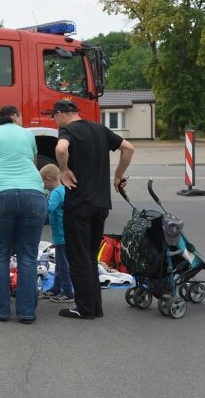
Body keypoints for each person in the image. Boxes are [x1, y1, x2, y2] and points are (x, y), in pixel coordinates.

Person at [53, 99, 134, 319]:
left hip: (79, 204)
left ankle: (84, 308)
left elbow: (61, 148)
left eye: (55, 117)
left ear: (60, 114)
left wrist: (63, 170)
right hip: (101, 204)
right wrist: (118, 176)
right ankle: (94, 307)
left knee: (78, 257)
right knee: (90, 256)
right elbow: (128, 148)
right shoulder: (100, 129)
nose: (56, 122)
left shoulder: (67, 130)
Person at [0, 105, 47, 324]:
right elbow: (32, 163)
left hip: (0, 195)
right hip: (33, 194)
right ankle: (26, 313)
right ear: (14, 119)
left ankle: (0, 311)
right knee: (28, 256)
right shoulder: (27, 134)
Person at [40, 163, 74, 303]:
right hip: (63, 234)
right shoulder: (62, 190)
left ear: (47, 179)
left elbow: (48, 209)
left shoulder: (55, 193)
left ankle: (67, 291)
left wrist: (40, 197)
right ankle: (56, 288)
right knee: (60, 264)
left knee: (63, 264)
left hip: (62, 235)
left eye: (42, 181)